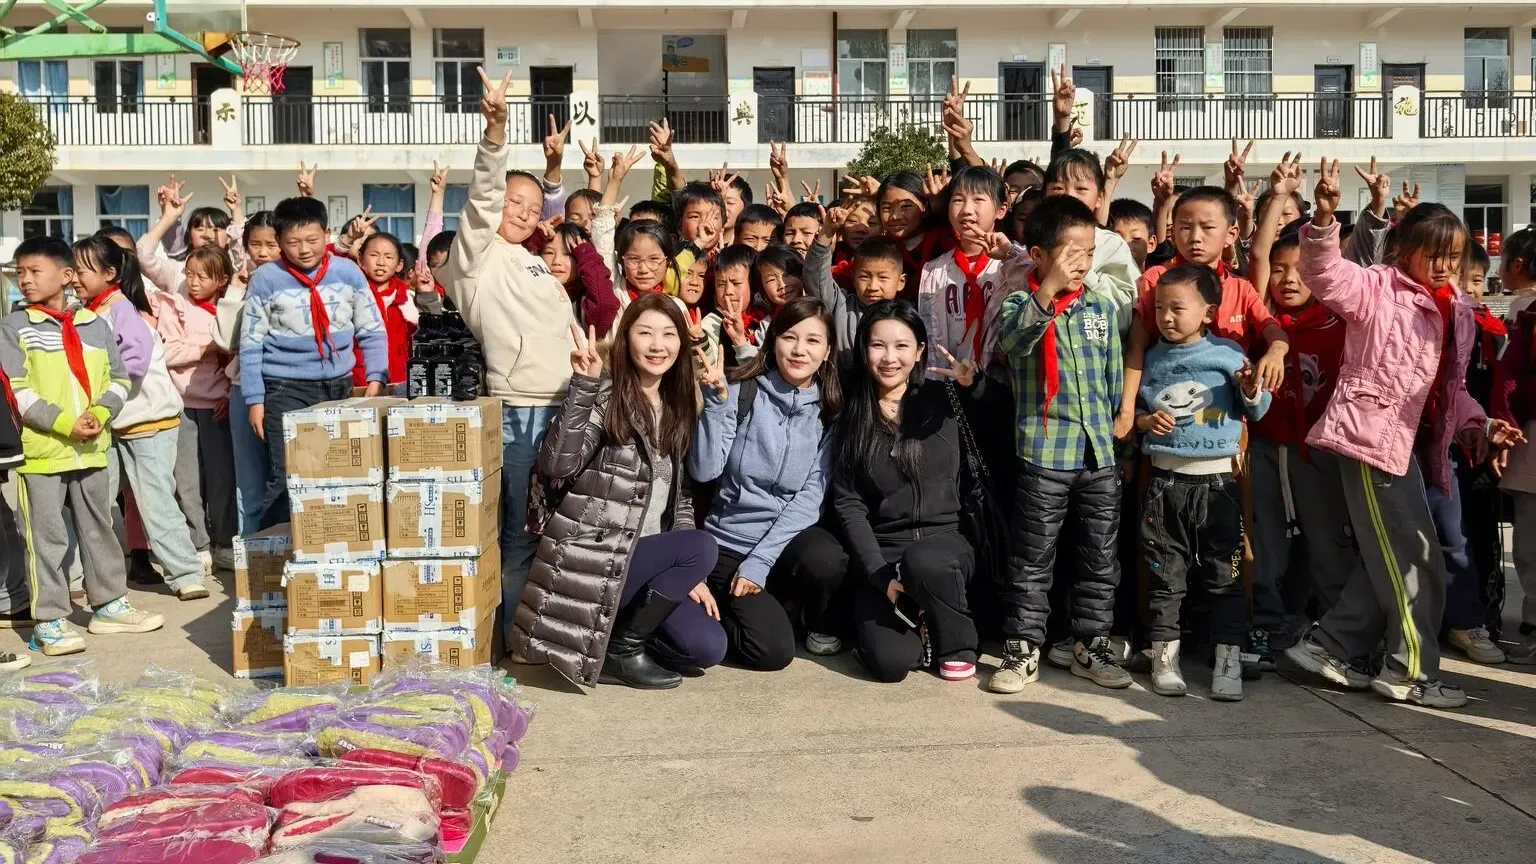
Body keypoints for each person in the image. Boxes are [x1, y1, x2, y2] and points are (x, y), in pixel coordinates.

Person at [1284, 161, 1524, 709]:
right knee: (1416, 559)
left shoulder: (1457, 310)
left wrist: (1482, 423)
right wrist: (1323, 218)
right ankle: (1408, 671)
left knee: (1395, 557)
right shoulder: (1378, 290)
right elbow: (1325, 275)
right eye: (1433, 253)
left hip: (1413, 450)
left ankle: (1333, 646)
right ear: (1404, 249)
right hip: (1370, 441)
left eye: (1453, 256)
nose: (1443, 265)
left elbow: (1452, 391)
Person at [512, 293, 724, 689]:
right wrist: (584, 385)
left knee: (707, 648)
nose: (657, 345)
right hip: (597, 552)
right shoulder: (606, 395)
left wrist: (683, 572)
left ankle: (609, 637)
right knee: (703, 547)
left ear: (681, 343)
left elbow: (679, 499)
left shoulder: (678, 406)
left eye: (667, 334)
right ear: (626, 339)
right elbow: (556, 466)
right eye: (645, 333)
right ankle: (622, 652)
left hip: (646, 560)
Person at [436, 69, 576, 635]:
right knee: (518, 532)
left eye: (529, 205)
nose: (518, 211)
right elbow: (481, 197)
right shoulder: (473, 257)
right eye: (511, 202)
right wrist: (496, 132)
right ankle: (507, 637)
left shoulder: (535, 260)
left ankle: (545, 631)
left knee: (556, 530)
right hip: (520, 408)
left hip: (567, 403)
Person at [989, 196, 1130, 693]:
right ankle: (1021, 648)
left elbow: (1113, 374)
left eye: (1089, 253)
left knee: (1098, 555)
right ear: (1039, 254)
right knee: (1032, 555)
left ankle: (1090, 644)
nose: (1081, 264)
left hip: (1098, 454)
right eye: (1071, 254)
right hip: (1045, 451)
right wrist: (1046, 291)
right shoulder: (1016, 303)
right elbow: (1012, 343)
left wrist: (1118, 430)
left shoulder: (1099, 307)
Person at [2, 236, 163, 655]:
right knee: (46, 539)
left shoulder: (95, 323)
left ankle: (109, 604)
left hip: (91, 447)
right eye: (20, 273)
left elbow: (119, 378)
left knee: (100, 529)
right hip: (43, 453)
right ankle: (50, 619)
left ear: (66, 275)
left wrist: (100, 414)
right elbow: (18, 391)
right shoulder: (15, 327)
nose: (25, 280)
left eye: (35, 271)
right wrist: (65, 423)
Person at [1136, 264, 1272, 701]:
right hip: (1163, 485)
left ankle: (1227, 658)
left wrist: (1251, 389)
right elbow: (1134, 414)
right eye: (1159, 308)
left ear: (1209, 312)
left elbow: (1258, 410)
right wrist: (1142, 421)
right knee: (1165, 576)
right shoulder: (1149, 359)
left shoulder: (1229, 356)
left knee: (1225, 577)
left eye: (1178, 308)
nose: (1166, 317)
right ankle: (1164, 654)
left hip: (1219, 486)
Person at [826, 301, 979, 683]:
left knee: (925, 560)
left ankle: (958, 644)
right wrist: (879, 574)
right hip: (885, 555)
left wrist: (973, 386)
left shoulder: (945, 400)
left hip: (946, 547)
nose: (889, 358)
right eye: (878, 346)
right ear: (864, 351)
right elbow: (849, 505)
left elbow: (997, 421)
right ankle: (910, 617)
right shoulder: (853, 416)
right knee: (891, 663)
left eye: (901, 346)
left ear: (920, 350)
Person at [688, 297, 842, 670]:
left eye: (812, 341)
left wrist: (761, 560)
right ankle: (718, 606)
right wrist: (715, 404)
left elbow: (811, 498)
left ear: (827, 351)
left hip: (780, 545)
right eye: (790, 337)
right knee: (771, 653)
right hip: (729, 539)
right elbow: (704, 471)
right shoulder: (743, 390)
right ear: (773, 340)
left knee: (826, 557)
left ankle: (788, 609)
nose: (799, 350)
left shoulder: (831, 409)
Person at [74, 234, 209, 601]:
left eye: (83, 270)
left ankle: (185, 573)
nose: (75, 278)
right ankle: (85, 576)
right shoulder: (90, 312)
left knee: (155, 501)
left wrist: (100, 389)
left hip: (148, 422)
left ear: (110, 273)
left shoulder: (121, 310)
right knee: (94, 499)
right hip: (113, 422)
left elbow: (130, 363)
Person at [242, 195, 387, 526]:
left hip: (339, 386)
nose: (304, 249)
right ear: (279, 242)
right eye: (293, 242)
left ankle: (329, 547)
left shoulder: (348, 272)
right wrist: (255, 400)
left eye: (311, 239)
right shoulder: (266, 279)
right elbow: (250, 342)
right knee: (285, 474)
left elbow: (371, 328)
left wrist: (376, 377)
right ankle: (274, 556)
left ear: (327, 234)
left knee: (339, 472)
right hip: (284, 388)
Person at [1119, 186, 1290, 439]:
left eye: (1207, 228)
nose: (1195, 237)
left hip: (1223, 427)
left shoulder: (1241, 289)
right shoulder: (1155, 280)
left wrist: (1276, 351)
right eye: (1185, 227)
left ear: (1231, 234)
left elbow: (1274, 331)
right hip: (1162, 421)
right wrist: (1127, 412)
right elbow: (1136, 346)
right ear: (1173, 231)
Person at [155, 245, 238, 573]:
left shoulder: (230, 309)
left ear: (222, 280)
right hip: (182, 405)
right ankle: (198, 543)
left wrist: (229, 394)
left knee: (221, 480)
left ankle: (224, 542)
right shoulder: (174, 305)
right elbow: (167, 352)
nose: (194, 281)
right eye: (189, 274)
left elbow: (236, 356)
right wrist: (206, 346)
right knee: (186, 480)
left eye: (203, 276)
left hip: (218, 406)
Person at [216, 212, 277, 534]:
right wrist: (235, 291)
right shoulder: (244, 285)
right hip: (244, 388)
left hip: (287, 388)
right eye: (255, 244)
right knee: (249, 484)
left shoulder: (296, 285)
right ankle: (252, 557)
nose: (263, 252)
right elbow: (226, 339)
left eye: (271, 244)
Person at [917, 166, 1011, 374]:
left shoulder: (1013, 265)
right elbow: (930, 336)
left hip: (1001, 386)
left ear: (1001, 209)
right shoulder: (933, 272)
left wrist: (1012, 256)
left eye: (978, 200)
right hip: (948, 384)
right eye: (958, 200)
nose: (967, 209)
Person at [1493, 226, 1536, 662]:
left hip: (1528, 442)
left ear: (1516, 265)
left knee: (1531, 544)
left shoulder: (1523, 315)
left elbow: (1508, 385)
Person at [806, 206, 907, 357]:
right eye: (864, 277)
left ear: (901, 282)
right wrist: (827, 232)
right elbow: (815, 277)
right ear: (853, 278)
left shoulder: (907, 317)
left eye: (883, 277)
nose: (873, 287)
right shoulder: (841, 308)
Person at [354, 232, 418, 387]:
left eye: (389, 257)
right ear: (360, 259)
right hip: (360, 381)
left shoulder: (409, 298)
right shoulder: (352, 295)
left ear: (399, 265)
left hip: (400, 381)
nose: (381, 262)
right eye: (374, 255)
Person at [1108, 199, 1158, 271]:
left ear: (1151, 244)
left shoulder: (1159, 280)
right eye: (1116, 238)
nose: (1125, 245)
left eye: (1136, 238)